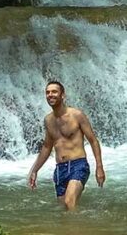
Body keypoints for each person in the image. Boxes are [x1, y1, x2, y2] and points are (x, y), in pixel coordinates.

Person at [27, 80, 106, 210]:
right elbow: (47, 147)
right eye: (47, 92)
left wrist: (99, 167)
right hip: (60, 170)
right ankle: (75, 228)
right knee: (64, 208)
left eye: (54, 92)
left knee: (70, 202)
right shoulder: (48, 120)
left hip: (78, 165)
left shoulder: (76, 115)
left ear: (62, 95)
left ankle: (75, 231)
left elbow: (93, 140)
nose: (50, 95)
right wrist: (34, 170)